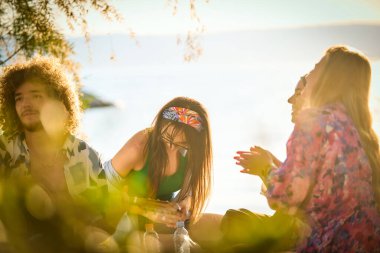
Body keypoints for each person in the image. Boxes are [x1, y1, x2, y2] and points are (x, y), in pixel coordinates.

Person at [242, 45, 380, 252]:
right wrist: (278, 165)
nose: (310, 73)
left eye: (316, 67)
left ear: (330, 77)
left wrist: (265, 167)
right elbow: (324, 187)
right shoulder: (362, 133)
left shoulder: (313, 122)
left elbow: (287, 196)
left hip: (332, 242)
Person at [0, 57, 111, 252]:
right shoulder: (4, 151)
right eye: (19, 98)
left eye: (36, 95)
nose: (26, 104)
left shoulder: (85, 155)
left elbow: (105, 217)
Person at [104, 97, 212, 230]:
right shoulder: (138, 147)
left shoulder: (192, 152)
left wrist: (186, 202)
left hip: (159, 221)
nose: (172, 148)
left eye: (181, 144)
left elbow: (192, 191)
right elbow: (101, 190)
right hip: (119, 219)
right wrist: (146, 210)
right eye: (166, 138)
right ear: (159, 126)